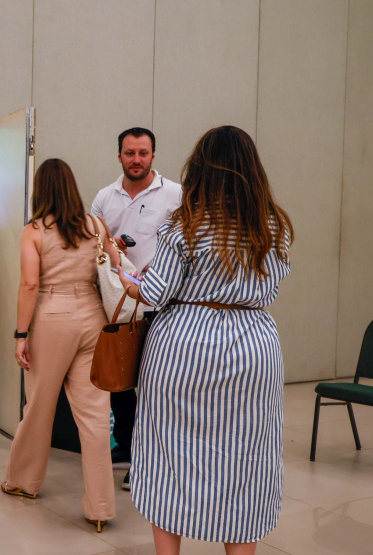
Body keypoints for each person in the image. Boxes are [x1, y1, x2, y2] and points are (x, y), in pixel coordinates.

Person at [117, 125, 292, 553]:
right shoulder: (273, 224)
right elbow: (272, 283)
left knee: (169, 455)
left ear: (201, 168)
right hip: (253, 345)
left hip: (183, 347)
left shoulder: (187, 222)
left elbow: (156, 292)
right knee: (245, 458)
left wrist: (123, 275)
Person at [2, 158, 119, 532]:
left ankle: (25, 482)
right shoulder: (96, 225)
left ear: (40, 190)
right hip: (93, 318)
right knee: (96, 416)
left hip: (52, 317)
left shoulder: (34, 230)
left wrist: (21, 335)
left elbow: (29, 285)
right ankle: (100, 508)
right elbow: (115, 266)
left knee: (38, 405)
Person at [90, 127, 181, 491]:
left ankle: (146, 459)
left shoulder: (175, 194)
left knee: (153, 383)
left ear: (154, 156)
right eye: (130, 153)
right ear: (119, 157)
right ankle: (126, 446)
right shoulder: (103, 198)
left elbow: (184, 245)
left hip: (161, 304)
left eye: (143, 153)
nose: (137, 160)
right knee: (120, 383)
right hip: (120, 305)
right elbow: (95, 244)